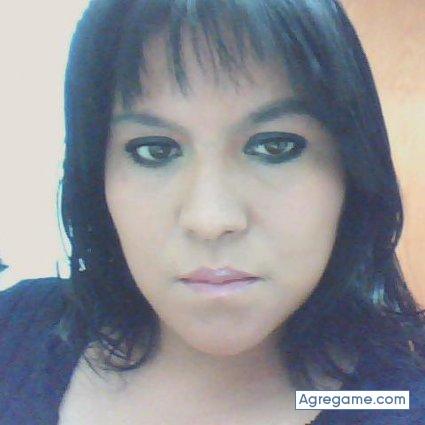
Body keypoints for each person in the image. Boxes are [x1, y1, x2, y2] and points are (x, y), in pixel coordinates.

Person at [1, 0, 425, 424]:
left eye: (274, 146)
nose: (210, 220)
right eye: (154, 150)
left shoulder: (392, 402)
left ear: (352, 169)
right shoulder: (17, 329)